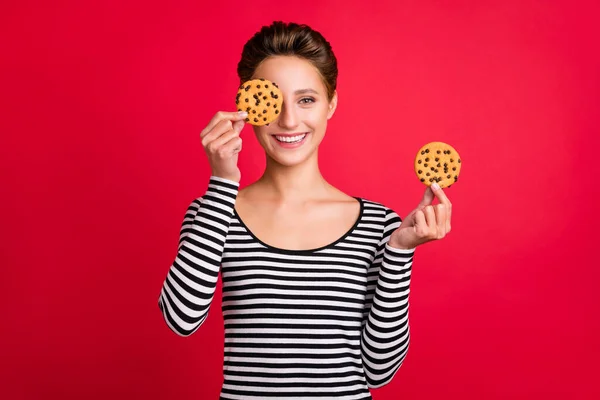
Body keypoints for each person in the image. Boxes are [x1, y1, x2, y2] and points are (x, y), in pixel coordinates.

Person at [158, 21, 452, 399]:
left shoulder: (380, 225)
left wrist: (400, 251)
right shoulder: (213, 213)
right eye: (273, 100)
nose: (289, 120)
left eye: (306, 99)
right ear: (247, 105)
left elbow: (379, 371)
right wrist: (222, 183)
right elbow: (180, 319)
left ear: (331, 104)